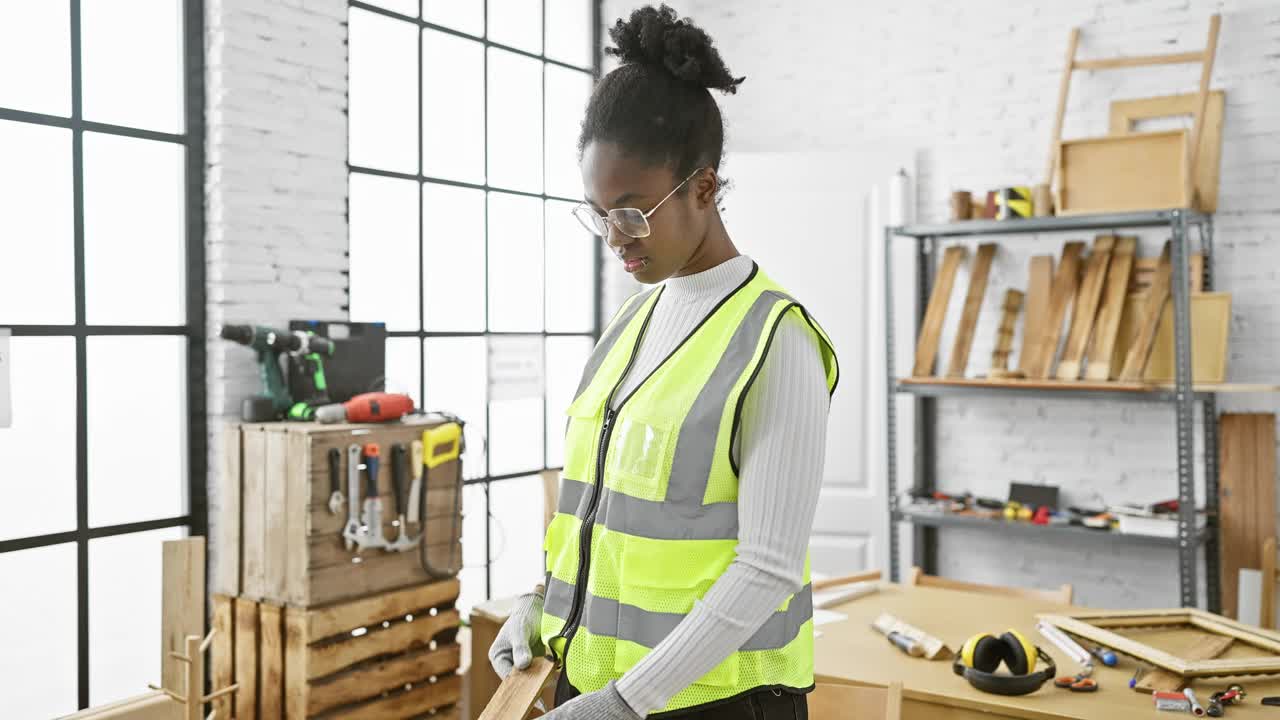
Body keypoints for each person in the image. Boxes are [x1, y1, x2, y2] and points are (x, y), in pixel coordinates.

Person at [488, 5, 838, 719]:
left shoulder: (777, 340)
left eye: (632, 211)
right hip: (597, 689)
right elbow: (603, 521)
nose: (615, 238)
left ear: (703, 189)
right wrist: (538, 604)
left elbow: (767, 568)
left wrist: (626, 701)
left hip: (714, 704)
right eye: (599, 213)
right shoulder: (630, 326)